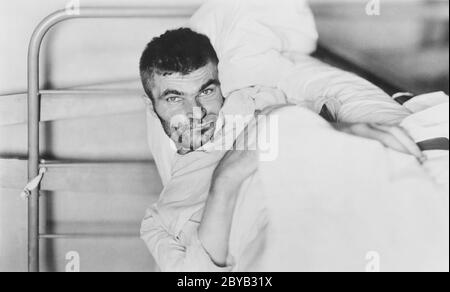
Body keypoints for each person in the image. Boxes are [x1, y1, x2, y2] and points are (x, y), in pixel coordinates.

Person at [138, 29, 448, 272]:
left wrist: (339, 130)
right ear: (153, 109)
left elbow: (321, 125)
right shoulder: (159, 222)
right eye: (174, 98)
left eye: (206, 91)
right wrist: (227, 178)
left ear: (220, 86)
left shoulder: (256, 101)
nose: (196, 113)